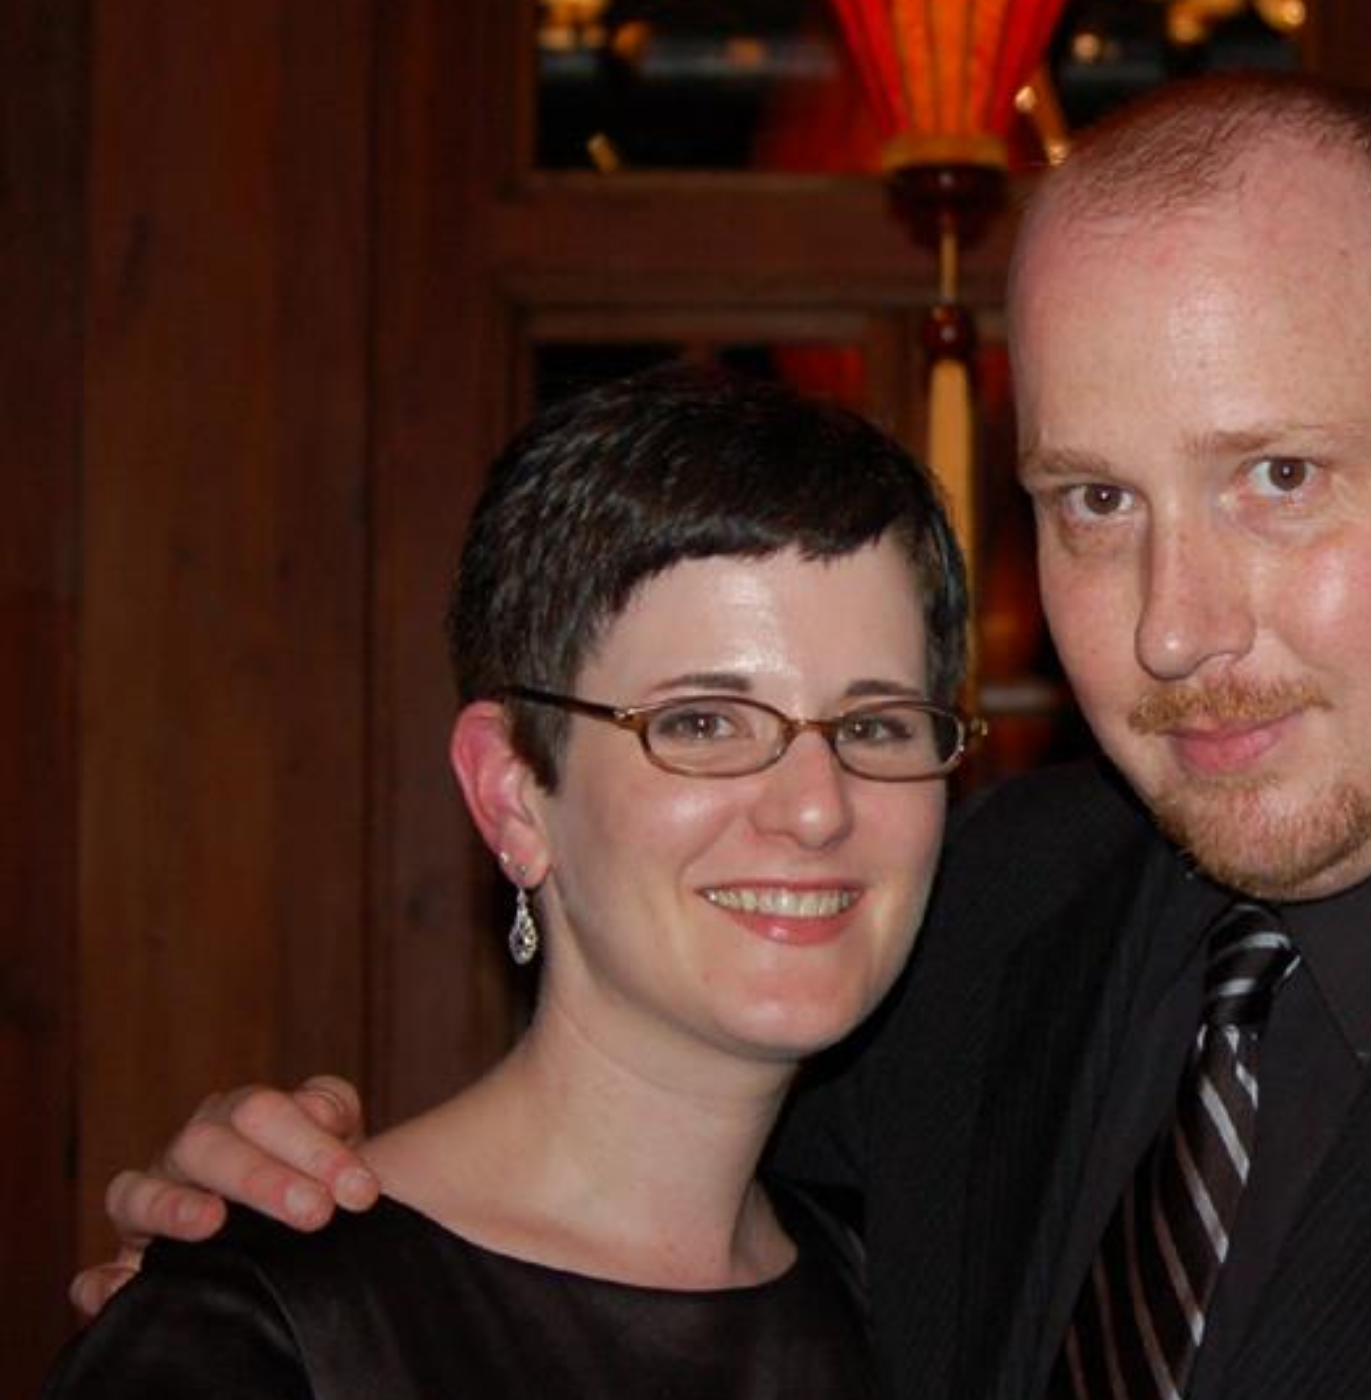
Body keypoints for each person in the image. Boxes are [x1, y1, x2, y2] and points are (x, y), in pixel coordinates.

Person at [77, 74, 1371, 1400]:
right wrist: (291, 1236)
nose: (1177, 627)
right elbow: (622, 1202)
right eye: (1096, 500)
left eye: (1281, 474)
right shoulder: (966, 914)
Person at [46, 367, 980, 1396]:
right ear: (512, 793)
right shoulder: (265, 1335)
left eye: (876, 725)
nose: (817, 806)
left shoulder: (913, 1305)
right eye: (704, 721)